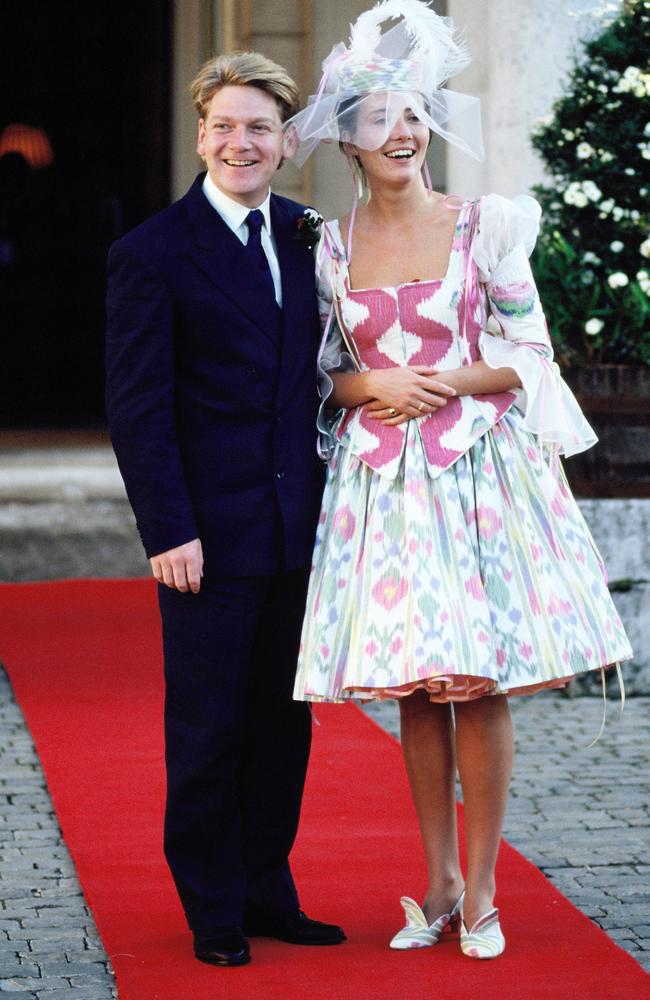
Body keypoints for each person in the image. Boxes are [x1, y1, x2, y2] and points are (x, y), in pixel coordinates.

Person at [286, 0, 632, 960]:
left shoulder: (488, 224)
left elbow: (531, 349)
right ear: (348, 143)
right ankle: (435, 882)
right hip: (384, 489)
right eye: (376, 119)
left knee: (475, 683)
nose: (400, 131)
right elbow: (319, 374)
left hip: (475, 473)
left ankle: (482, 892)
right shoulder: (329, 250)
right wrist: (372, 383)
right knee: (415, 683)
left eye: (411, 113)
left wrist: (452, 378)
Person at [105, 51, 345, 967]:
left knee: (285, 724)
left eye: (259, 128)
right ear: (200, 133)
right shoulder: (151, 253)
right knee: (209, 726)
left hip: (299, 529)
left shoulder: (308, 234)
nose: (240, 143)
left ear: (286, 143)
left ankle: (265, 886)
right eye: (224, 126)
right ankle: (211, 905)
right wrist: (169, 529)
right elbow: (138, 406)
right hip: (207, 536)